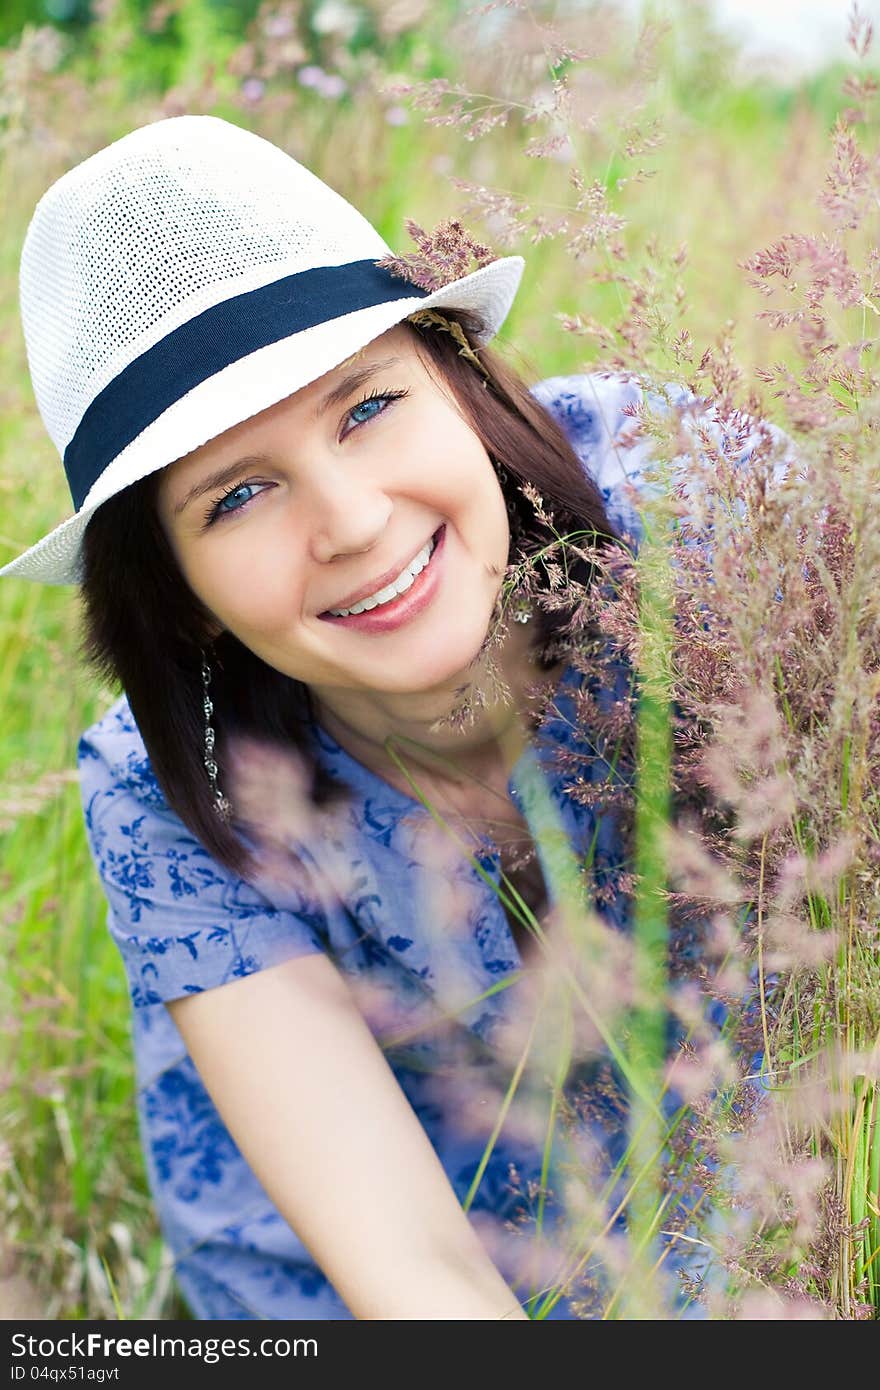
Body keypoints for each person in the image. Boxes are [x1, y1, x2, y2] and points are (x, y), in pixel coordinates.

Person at [2, 114, 737, 1321]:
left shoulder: (702, 516)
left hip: (749, 1191)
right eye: (237, 495)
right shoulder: (164, 789)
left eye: (366, 407)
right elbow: (411, 1273)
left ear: (457, 381)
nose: (347, 520)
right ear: (172, 593)